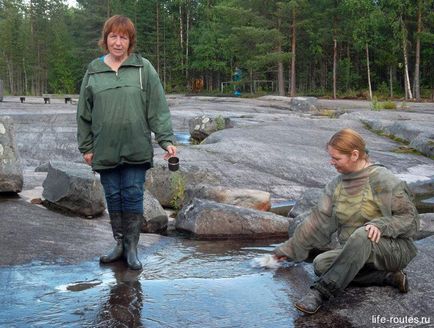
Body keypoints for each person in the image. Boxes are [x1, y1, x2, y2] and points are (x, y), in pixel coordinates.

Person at [273, 128, 419, 314]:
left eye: (336, 158)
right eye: (331, 157)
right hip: (356, 251)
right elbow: (319, 221)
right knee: (320, 264)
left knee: (363, 234)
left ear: (355, 155)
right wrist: (288, 249)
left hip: (391, 249)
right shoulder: (337, 185)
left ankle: (320, 293)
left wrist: (381, 225)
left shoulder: (383, 180)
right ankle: (386, 277)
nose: (331, 162)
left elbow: (411, 220)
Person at [76, 15, 176, 270]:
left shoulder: (144, 69)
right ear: (105, 39)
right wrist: (86, 147)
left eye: (123, 37)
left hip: (135, 147)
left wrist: (166, 140)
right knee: (113, 196)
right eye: (113, 36)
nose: (118, 42)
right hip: (105, 148)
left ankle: (132, 248)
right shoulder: (94, 70)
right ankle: (119, 243)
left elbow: (158, 108)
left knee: (132, 196)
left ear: (130, 41)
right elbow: (83, 113)